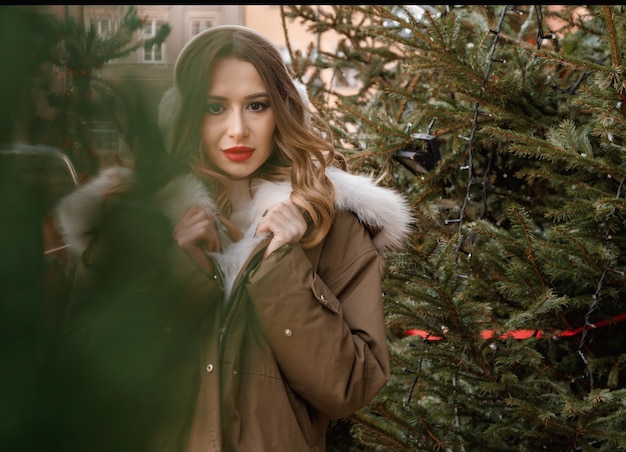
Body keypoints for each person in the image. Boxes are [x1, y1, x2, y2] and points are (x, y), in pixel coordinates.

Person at [55, 25, 413, 452]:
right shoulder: (131, 217)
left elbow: (350, 387)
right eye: (215, 107)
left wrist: (283, 272)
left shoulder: (329, 224)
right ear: (186, 114)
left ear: (281, 110)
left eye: (257, 105)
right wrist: (174, 271)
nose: (238, 130)